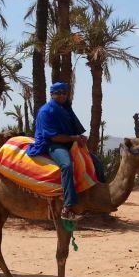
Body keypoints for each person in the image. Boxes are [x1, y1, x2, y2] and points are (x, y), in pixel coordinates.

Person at [27, 82, 90, 221]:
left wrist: (79, 137)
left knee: (94, 162)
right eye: (59, 93)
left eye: (64, 93)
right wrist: (75, 138)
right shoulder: (46, 111)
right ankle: (67, 207)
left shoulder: (65, 109)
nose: (62, 95)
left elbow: (72, 129)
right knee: (67, 166)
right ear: (52, 94)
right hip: (52, 144)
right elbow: (54, 136)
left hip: (68, 142)